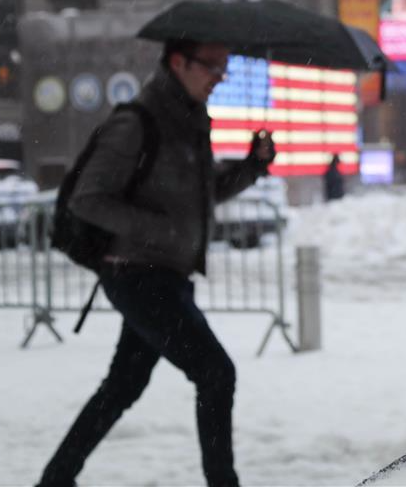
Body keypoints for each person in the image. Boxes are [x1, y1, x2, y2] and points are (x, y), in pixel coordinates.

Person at [36, 39, 276, 487]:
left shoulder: (189, 124)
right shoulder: (137, 122)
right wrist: (158, 228)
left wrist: (252, 165)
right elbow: (88, 198)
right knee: (215, 373)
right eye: (212, 66)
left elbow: (202, 196)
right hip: (136, 274)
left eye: (223, 68)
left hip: (164, 275)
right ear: (178, 61)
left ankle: (55, 479)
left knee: (123, 386)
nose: (219, 77)